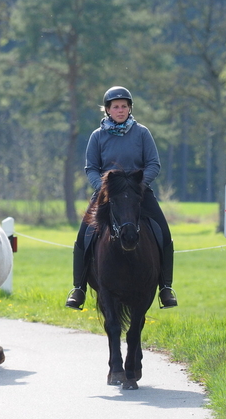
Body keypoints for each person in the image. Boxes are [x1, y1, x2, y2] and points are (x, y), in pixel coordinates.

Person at [65, 86, 178, 310]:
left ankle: (165, 288)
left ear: (129, 109)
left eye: (124, 106)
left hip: (138, 194)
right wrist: (105, 189)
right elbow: (91, 168)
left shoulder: (142, 133)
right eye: (115, 107)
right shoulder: (97, 136)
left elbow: (154, 164)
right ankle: (79, 288)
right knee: (83, 236)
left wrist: (139, 187)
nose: (120, 110)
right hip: (106, 195)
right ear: (107, 110)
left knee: (164, 233)